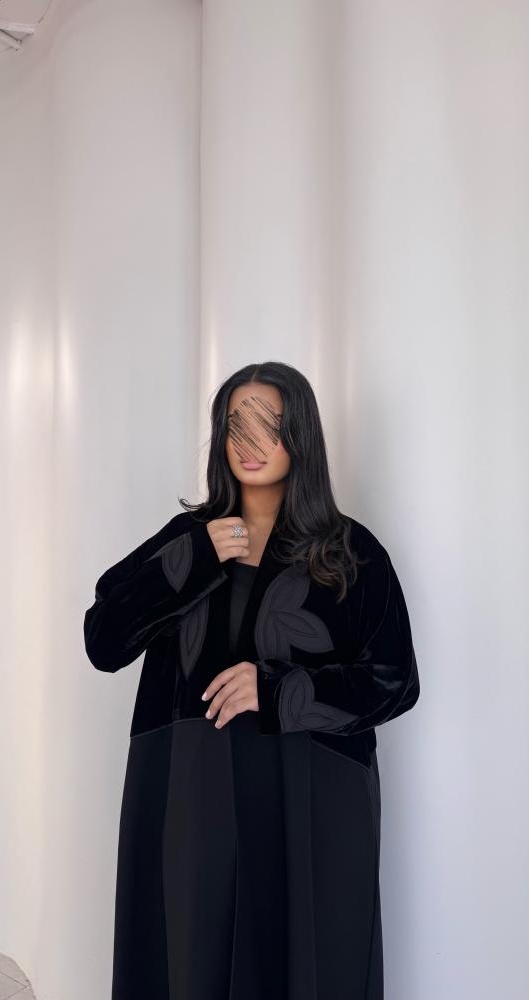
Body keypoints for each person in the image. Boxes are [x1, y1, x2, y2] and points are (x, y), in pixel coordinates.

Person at [83, 360, 420, 1000]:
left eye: (270, 424)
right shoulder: (191, 538)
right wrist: (197, 557)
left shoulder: (350, 553)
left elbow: (396, 680)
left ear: (301, 437)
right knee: (192, 959)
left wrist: (278, 691)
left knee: (303, 963)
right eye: (236, 424)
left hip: (308, 804)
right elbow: (103, 640)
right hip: (195, 799)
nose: (250, 442)